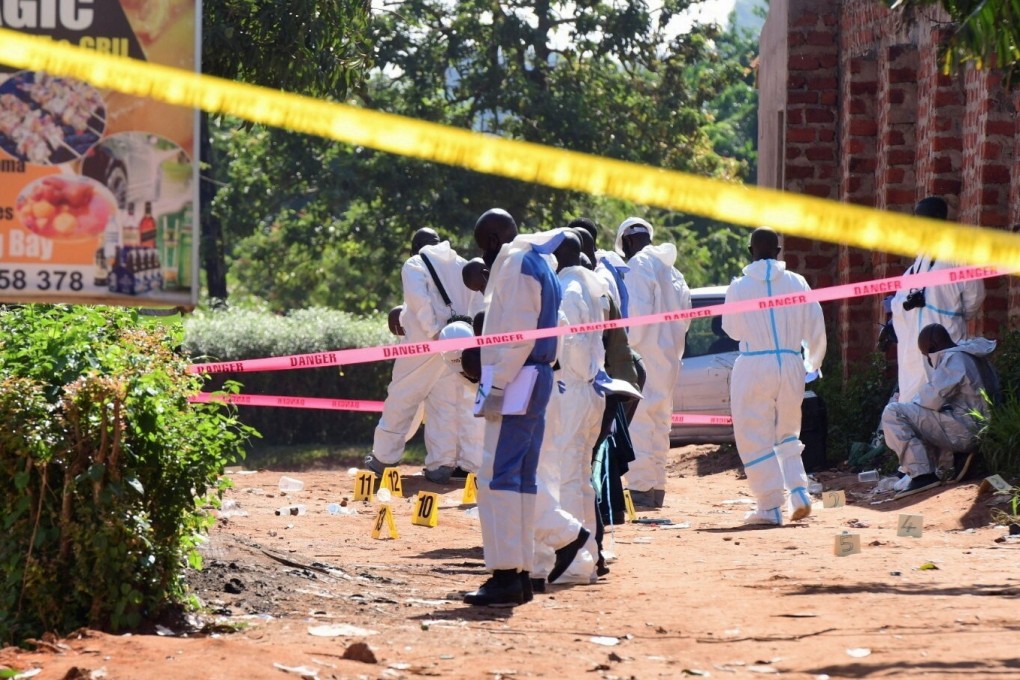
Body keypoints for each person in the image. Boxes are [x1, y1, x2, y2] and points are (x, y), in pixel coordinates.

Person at [464, 209, 564, 607]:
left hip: (518, 377)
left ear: (490, 242)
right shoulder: (539, 262)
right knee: (520, 477)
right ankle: (519, 574)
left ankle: (506, 574)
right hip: (534, 376)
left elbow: (518, 337)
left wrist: (496, 384)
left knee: (496, 476)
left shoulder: (518, 263)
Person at [722, 227, 826, 526]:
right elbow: (816, 326)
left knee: (754, 434)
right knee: (788, 432)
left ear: (749, 251)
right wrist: (812, 363)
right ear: (779, 252)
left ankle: (769, 505)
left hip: (755, 362)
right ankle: (799, 493)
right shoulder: (797, 282)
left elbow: (732, 329)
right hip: (791, 362)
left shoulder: (739, 287)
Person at [365, 228, 482, 483]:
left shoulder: (414, 263)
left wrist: (434, 333)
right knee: (446, 404)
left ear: (414, 247)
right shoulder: (461, 264)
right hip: (456, 342)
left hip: (424, 344)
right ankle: (441, 465)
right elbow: (475, 305)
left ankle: (384, 458)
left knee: (401, 397)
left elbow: (418, 302)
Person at [533, 231, 606, 588]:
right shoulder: (592, 284)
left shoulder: (569, 289)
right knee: (580, 480)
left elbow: (564, 344)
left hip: (573, 388)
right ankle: (588, 556)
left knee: (567, 480)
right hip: (590, 390)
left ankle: (577, 561)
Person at [616, 217, 691, 508]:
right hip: (669, 360)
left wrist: (621, 347)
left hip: (645, 359)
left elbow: (636, 322)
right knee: (660, 424)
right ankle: (656, 488)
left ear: (628, 241)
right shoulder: (674, 271)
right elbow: (683, 320)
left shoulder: (637, 266)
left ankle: (641, 490)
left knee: (641, 425)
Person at [881, 323, 999, 498]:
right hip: (982, 427)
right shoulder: (972, 355)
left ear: (933, 348)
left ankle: (922, 475)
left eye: (927, 355)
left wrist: (911, 406)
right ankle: (955, 461)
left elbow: (930, 399)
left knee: (894, 412)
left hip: (968, 431)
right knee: (932, 414)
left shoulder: (953, 359)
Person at [890, 197, 984, 404]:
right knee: (913, 405)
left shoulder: (960, 253)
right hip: (914, 352)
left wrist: (949, 315)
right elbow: (900, 301)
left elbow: (975, 296)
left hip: (946, 340)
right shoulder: (917, 263)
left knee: (946, 401)